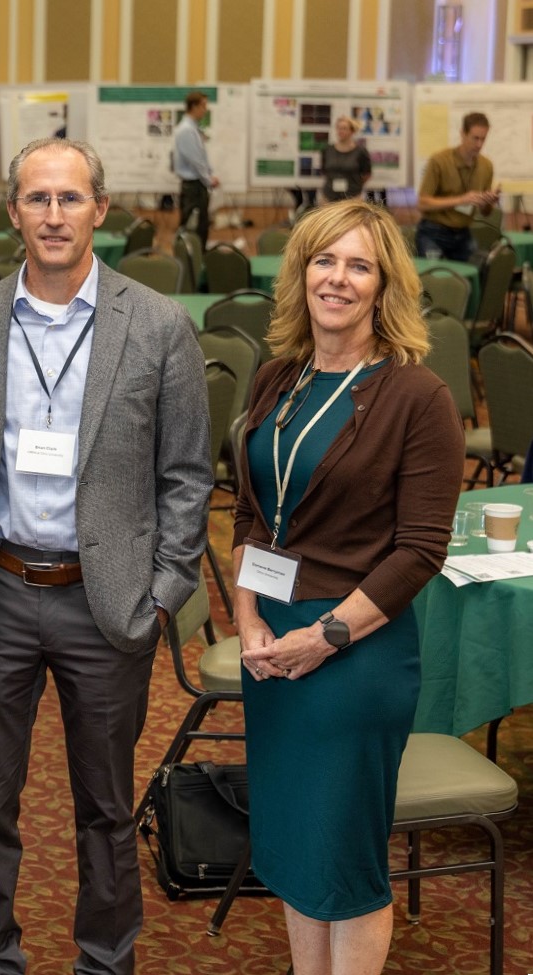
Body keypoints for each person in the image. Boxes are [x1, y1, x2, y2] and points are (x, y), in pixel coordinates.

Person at [0, 136, 213, 975]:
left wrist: (163, 591)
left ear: (101, 208)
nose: (53, 215)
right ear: (14, 212)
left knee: (105, 805)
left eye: (69, 198)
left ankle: (105, 959)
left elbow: (188, 474)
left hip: (109, 603)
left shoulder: (159, 324)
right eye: (36, 199)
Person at [232, 199, 464, 975]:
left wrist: (325, 634)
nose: (338, 278)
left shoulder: (416, 395)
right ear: (301, 273)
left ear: (383, 284)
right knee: (297, 846)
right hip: (274, 651)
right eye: (324, 260)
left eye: (358, 264)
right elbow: (250, 516)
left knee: (345, 856)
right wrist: (251, 622)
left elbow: (420, 551)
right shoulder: (277, 379)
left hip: (354, 654)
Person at [416, 111, 499, 262]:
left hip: (463, 233)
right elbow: (422, 203)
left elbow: (485, 212)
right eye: (475, 138)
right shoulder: (440, 161)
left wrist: (488, 202)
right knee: (436, 277)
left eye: (483, 139)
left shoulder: (486, 166)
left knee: (477, 272)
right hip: (434, 231)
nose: (479, 144)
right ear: (463, 134)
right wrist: (460, 200)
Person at [173, 90, 218, 247]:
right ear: (193, 106)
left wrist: (209, 175)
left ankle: (197, 256)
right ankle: (191, 260)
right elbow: (195, 160)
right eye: (203, 106)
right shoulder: (186, 130)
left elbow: (201, 157)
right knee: (194, 226)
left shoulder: (192, 128)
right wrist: (208, 179)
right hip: (193, 186)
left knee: (201, 225)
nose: (205, 110)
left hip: (197, 184)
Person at [320, 115, 373, 203]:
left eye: (344, 128)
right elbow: (324, 171)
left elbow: (367, 174)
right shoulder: (328, 150)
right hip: (329, 196)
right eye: (339, 128)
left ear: (352, 131)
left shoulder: (360, 151)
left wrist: (355, 184)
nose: (341, 131)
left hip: (352, 196)